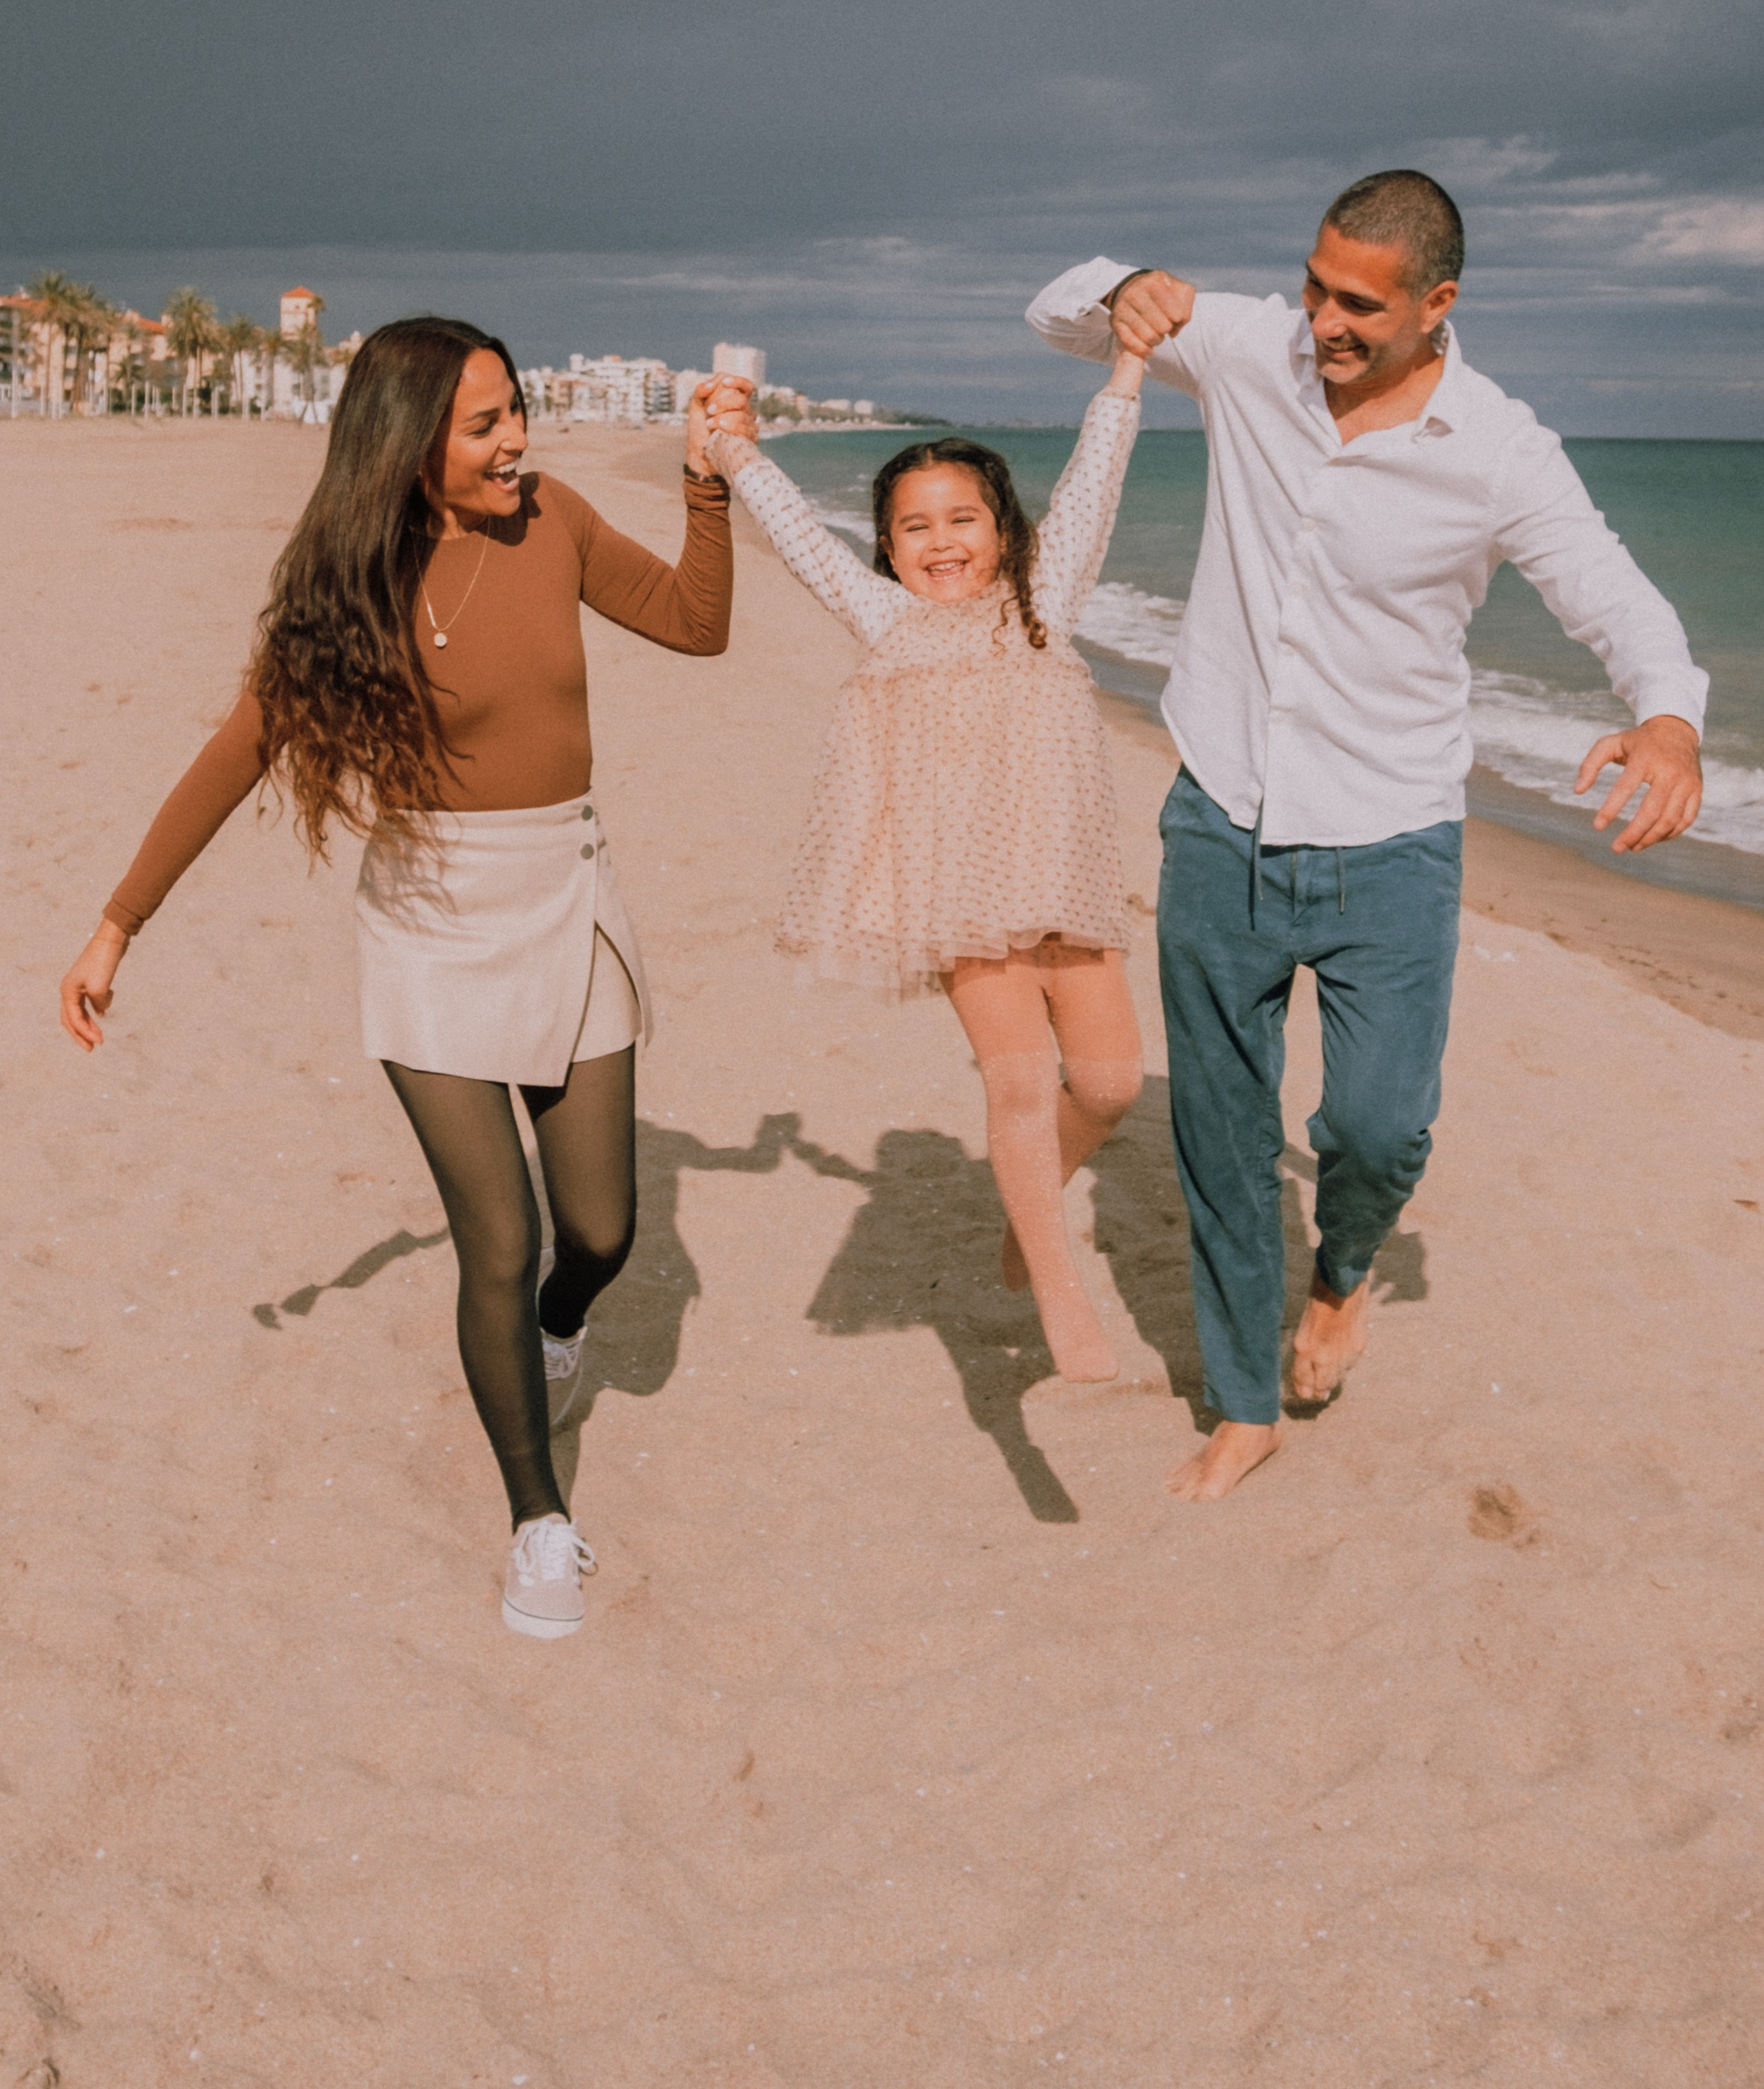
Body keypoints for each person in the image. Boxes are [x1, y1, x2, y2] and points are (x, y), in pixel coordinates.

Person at [59, 318, 753, 1638]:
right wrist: (116, 926)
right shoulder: (347, 584)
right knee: (498, 1234)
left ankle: (557, 1326)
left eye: (518, 411)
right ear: (409, 441)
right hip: (431, 916)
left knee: (596, 1234)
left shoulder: (554, 521)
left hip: (569, 888)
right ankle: (538, 1520)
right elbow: (236, 752)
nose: (517, 442)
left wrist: (706, 480)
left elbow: (700, 627)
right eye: (485, 424)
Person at [1028, 170, 1707, 1499]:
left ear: (1436, 305)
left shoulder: (1501, 447)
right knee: (1220, 1134)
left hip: (1392, 835)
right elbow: (1056, 314)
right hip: (1219, 809)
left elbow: (1616, 598)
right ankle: (1242, 1402)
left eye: (1356, 302)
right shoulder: (1248, 349)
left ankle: (1341, 1276)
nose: (1320, 319)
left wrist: (1670, 722)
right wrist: (1123, 290)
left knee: (1382, 1127)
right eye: (1312, 282)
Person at [701, 346, 1147, 1383]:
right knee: (1025, 1083)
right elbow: (798, 535)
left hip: (1069, 883)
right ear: (890, 548)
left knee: (1116, 1084)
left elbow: (1094, 478)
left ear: (1003, 531)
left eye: (963, 520)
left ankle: (1027, 1207)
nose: (942, 543)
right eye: (915, 526)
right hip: (964, 896)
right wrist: (731, 445)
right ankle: (1060, 1289)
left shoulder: (1050, 603)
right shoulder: (887, 619)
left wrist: (1127, 367)